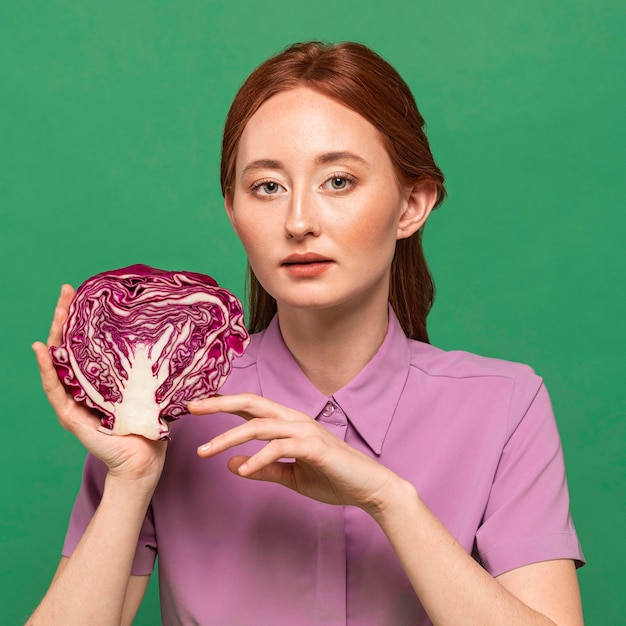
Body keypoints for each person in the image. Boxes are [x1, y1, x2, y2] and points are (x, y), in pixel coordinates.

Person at [30, 41, 585, 625]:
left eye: (339, 181)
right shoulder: (162, 410)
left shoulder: (505, 407)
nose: (298, 222)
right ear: (233, 212)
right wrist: (130, 477)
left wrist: (388, 500)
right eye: (267, 187)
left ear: (411, 205)